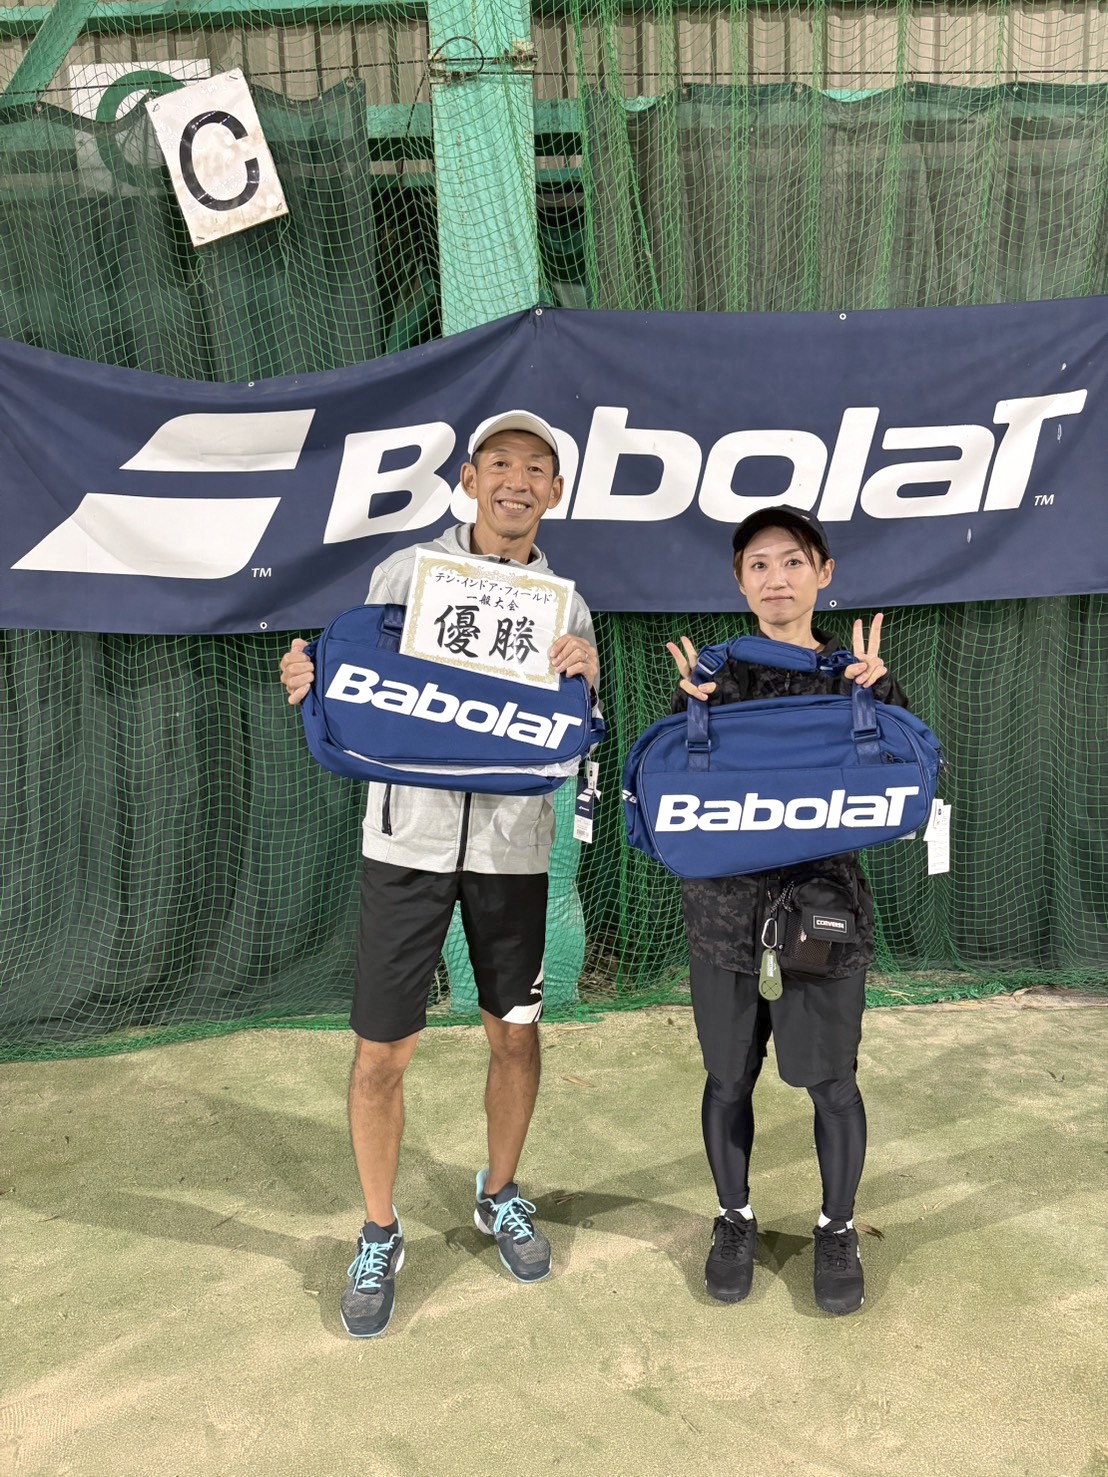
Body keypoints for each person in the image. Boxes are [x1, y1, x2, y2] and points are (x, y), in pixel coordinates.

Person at [280, 410, 599, 1338]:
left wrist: (588, 676)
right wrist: (314, 677)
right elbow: (361, 686)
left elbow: (572, 737)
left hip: (513, 855)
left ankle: (499, 1194)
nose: (516, 480)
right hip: (405, 848)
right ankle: (379, 1232)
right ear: (469, 479)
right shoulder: (405, 575)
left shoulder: (568, 605)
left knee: (515, 1037)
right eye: (499, 463)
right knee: (381, 1053)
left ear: (554, 492)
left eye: (534, 468)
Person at [666, 504, 908, 1317]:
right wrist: (687, 710)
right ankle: (733, 1218)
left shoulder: (854, 679)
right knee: (727, 1079)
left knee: (832, 1083)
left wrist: (881, 694)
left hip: (824, 921)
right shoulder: (711, 677)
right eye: (760, 564)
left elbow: (905, 784)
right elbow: (671, 803)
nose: (777, 578)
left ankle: (837, 1229)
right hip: (724, 924)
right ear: (740, 581)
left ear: (824, 573)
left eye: (794, 561)